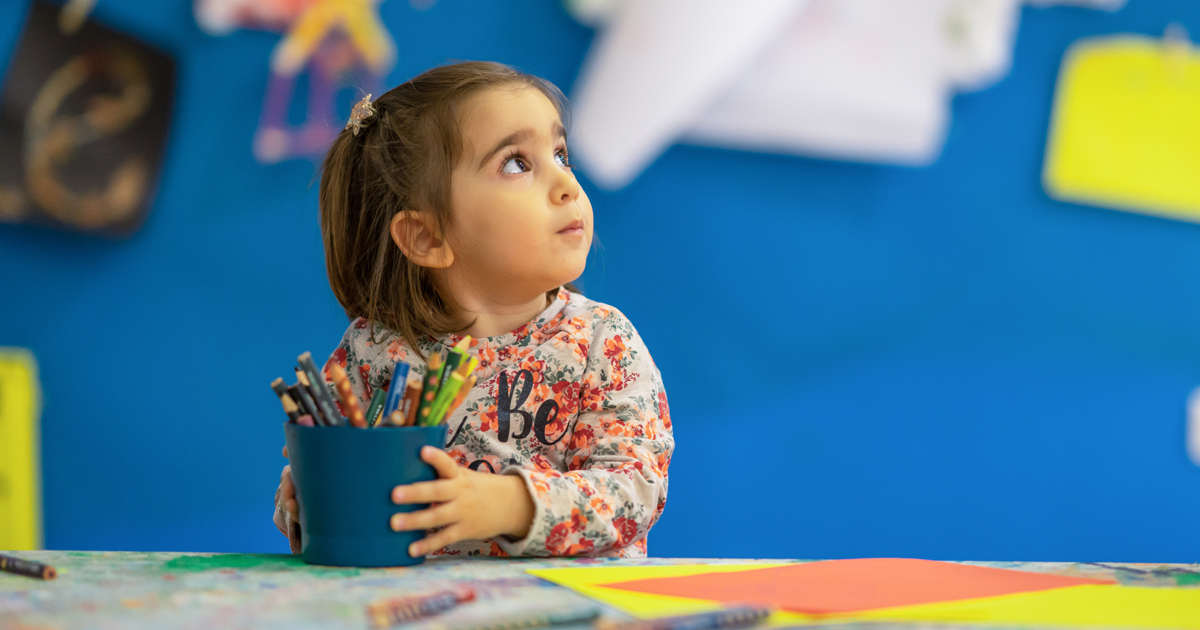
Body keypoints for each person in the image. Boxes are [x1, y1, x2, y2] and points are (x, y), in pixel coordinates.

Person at [273, 61, 673, 558]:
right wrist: (308, 497)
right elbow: (339, 491)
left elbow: (635, 492)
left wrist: (510, 504)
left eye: (560, 154)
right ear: (427, 236)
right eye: (516, 163)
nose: (567, 183)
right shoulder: (369, 353)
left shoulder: (602, 341)